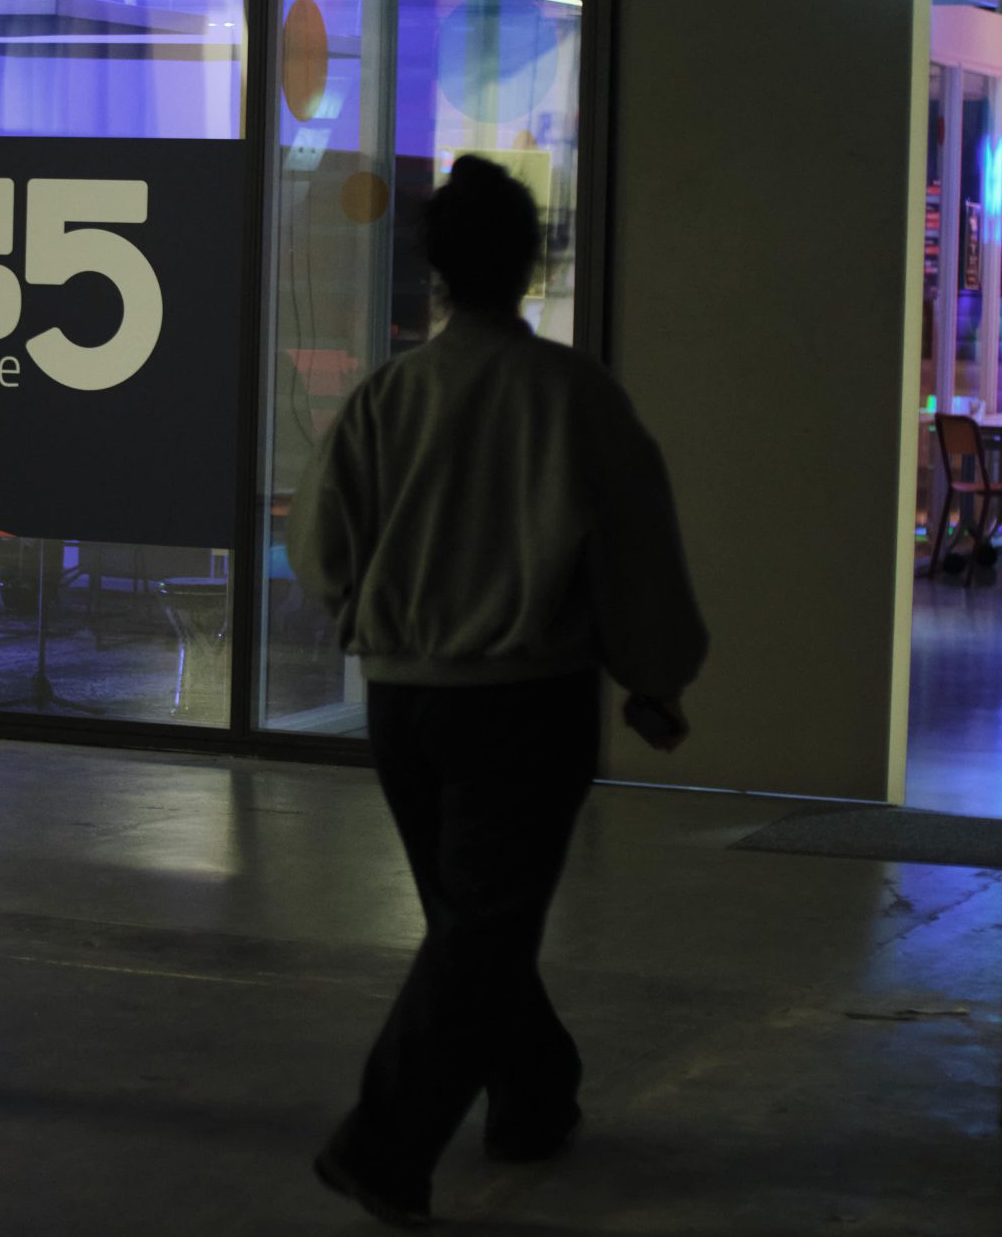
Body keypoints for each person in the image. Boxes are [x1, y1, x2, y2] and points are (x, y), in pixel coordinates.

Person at [289, 154, 708, 1226]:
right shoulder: (575, 398)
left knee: (470, 920)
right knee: (483, 926)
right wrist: (652, 679)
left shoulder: (387, 397)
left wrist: (365, 618)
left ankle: (534, 1092)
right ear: (532, 265)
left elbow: (321, 543)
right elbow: (634, 556)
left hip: (403, 703)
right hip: (527, 701)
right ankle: (384, 1145)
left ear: (435, 271)